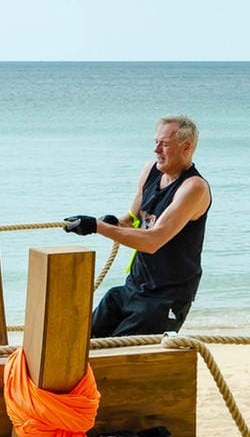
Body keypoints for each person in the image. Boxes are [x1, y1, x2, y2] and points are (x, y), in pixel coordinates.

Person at [63, 115, 211, 337]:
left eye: (165, 144)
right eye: (156, 142)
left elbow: (153, 240)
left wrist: (97, 227)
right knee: (79, 342)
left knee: (116, 357)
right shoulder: (151, 169)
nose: (156, 150)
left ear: (186, 148)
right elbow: (133, 219)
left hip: (165, 299)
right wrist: (109, 222)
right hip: (133, 287)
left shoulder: (193, 188)